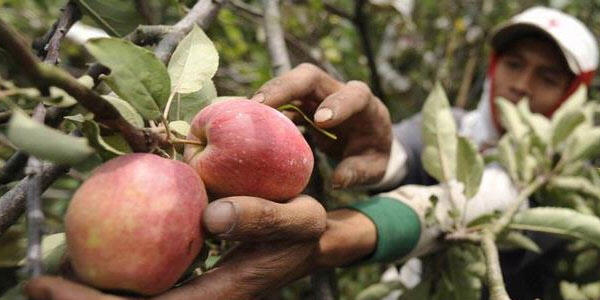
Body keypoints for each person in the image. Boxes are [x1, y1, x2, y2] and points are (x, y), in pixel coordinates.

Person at [24, 6, 598, 300]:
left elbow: (465, 201)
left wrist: (339, 236)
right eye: (515, 64)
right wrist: (381, 153)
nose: (521, 85)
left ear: (575, 95)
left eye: (548, 77)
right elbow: (411, 153)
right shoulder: (459, 125)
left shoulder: (561, 164)